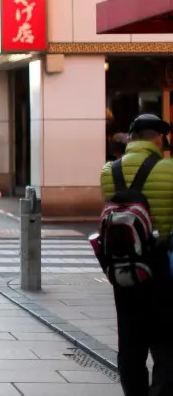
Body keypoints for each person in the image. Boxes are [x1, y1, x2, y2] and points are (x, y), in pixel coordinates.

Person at [100, 114, 173, 395]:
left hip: (125, 268)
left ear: (131, 138)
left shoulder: (109, 171)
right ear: (157, 138)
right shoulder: (168, 169)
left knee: (130, 343)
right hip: (161, 267)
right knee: (165, 342)